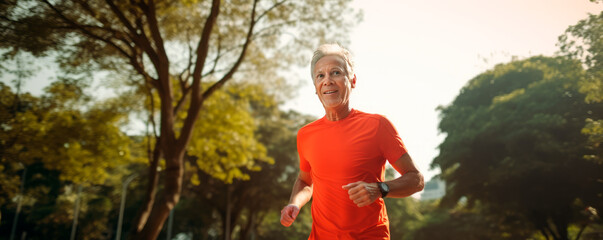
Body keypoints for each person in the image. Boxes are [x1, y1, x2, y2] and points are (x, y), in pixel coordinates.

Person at [280, 43, 425, 239]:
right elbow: (306, 181)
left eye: (336, 73)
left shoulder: (378, 126)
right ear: (315, 87)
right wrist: (294, 203)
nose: (328, 80)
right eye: (320, 75)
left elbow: (416, 179)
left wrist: (380, 188)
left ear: (352, 80)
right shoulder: (306, 135)